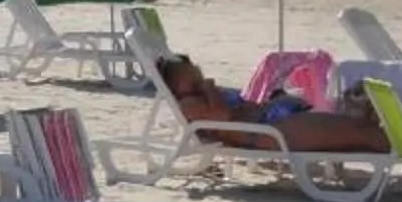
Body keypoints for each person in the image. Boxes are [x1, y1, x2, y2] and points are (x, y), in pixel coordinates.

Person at [154, 54, 388, 154]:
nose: (199, 78)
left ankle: (399, 136)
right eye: (191, 77)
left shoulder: (200, 95)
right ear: (175, 86)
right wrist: (207, 88)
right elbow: (223, 116)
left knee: (356, 125)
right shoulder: (190, 105)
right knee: (360, 131)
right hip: (274, 130)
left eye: (196, 71)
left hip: (277, 120)